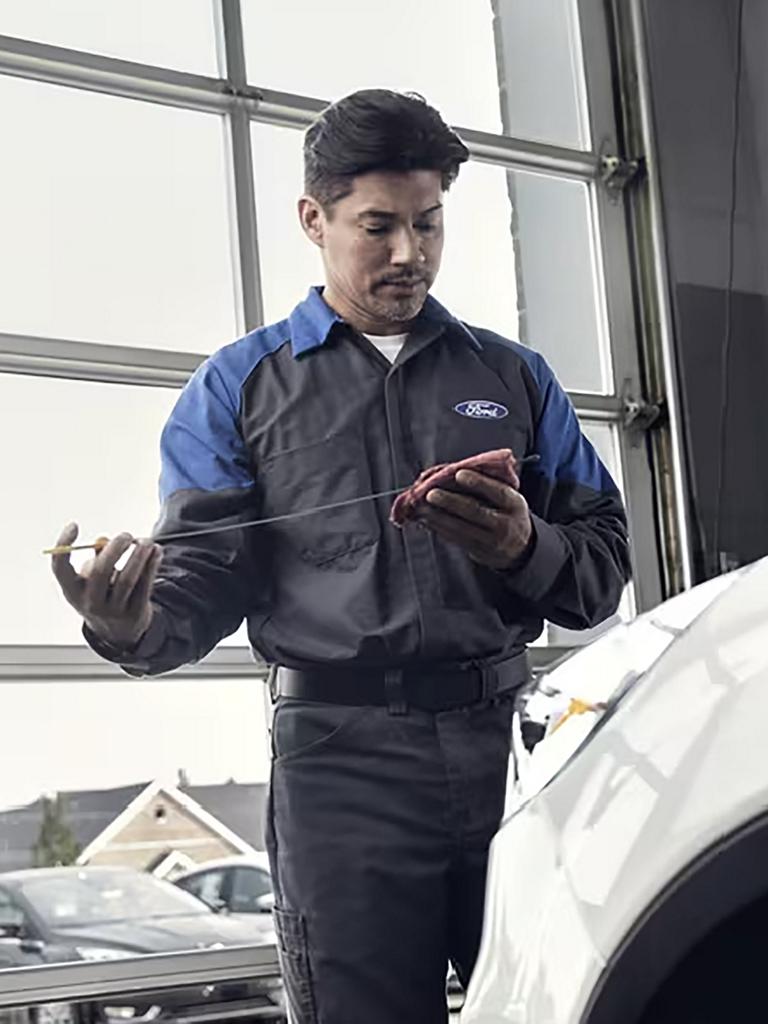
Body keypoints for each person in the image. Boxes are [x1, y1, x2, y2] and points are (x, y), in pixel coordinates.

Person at [52, 90, 631, 1023]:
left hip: (509, 754)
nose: (411, 253)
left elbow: (602, 569)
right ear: (313, 220)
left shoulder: (515, 378)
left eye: (429, 223)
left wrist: (531, 545)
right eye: (379, 226)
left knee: (555, 1007)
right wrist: (132, 625)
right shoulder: (237, 390)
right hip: (338, 768)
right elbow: (202, 580)